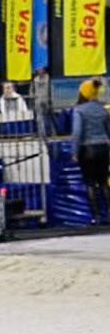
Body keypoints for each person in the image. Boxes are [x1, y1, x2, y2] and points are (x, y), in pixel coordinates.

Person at [72, 80, 110, 225]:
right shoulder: (103, 109)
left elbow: (77, 132)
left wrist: (75, 152)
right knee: (103, 182)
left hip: (87, 149)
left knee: (89, 183)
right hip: (103, 147)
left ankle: (95, 217)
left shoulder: (79, 110)